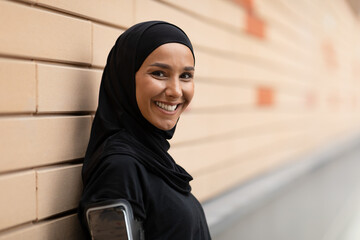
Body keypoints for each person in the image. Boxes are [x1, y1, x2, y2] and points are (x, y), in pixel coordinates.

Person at [78, 21, 211, 239]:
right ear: (126, 78)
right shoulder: (119, 169)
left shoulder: (153, 158)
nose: (175, 91)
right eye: (159, 73)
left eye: (185, 76)